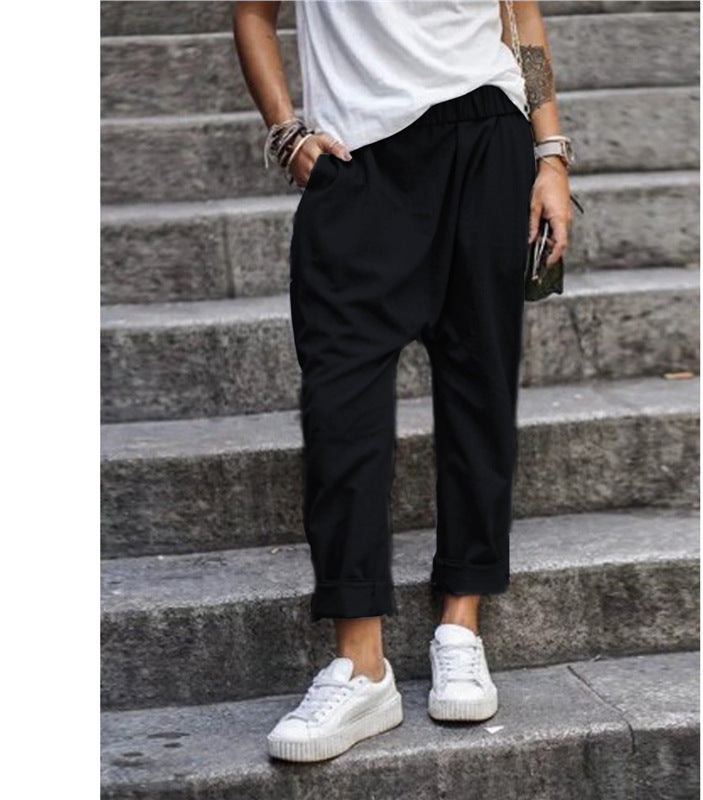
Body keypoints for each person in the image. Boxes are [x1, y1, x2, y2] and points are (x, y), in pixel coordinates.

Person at [233, 0, 573, 762]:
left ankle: (461, 622)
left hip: (486, 137)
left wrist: (550, 153)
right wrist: (286, 131)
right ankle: (361, 664)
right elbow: (253, 13)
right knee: (339, 403)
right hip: (357, 160)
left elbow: (521, 17)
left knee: (480, 390)